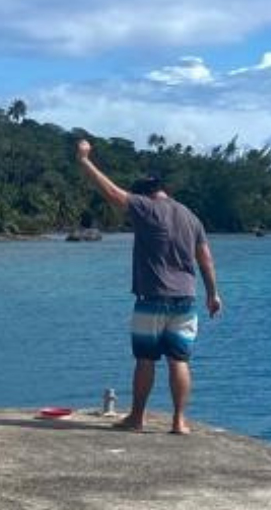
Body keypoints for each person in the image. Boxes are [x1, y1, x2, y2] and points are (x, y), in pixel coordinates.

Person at [74, 138, 222, 434]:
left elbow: (113, 193)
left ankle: (137, 419)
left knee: (145, 359)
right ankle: (179, 421)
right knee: (179, 359)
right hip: (186, 299)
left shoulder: (145, 207)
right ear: (164, 189)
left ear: (144, 194)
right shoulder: (191, 216)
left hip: (153, 297)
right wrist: (213, 294)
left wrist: (84, 160)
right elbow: (205, 260)